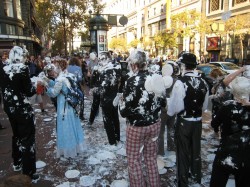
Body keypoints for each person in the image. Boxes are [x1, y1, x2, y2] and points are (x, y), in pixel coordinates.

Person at [119, 49, 167, 187]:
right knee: (151, 159)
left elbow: (124, 111)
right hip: (154, 124)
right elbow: (163, 103)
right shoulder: (156, 77)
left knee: (134, 160)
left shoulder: (131, 81)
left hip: (136, 127)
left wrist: (121, 101)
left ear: (134, 64)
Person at [167, 52, 209, 186]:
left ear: (183, 66)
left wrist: (169, 108)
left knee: (183, 154)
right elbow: (205, 106)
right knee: (196, 152)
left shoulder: (180, 82)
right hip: (197, 121)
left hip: (184, 122)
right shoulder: (203, 82)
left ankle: (183, 182)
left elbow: (175, 108)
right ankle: (196, 179)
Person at [0, 46, 39, 182]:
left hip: (9, 107)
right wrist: (36, 86)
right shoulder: (22, 68)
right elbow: (29, 91)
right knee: (27, 139)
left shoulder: (4, 68)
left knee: (16, 134)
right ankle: (29, 172)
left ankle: (17, 162)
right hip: (22, 108)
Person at [210, 76, 250, 187]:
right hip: (246, 154)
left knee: (217, 183)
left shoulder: (227, 106)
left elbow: (214, 123)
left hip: (226, 151)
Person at [43, 58, 85, 158]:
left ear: (60, 68)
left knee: (66, 129)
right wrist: (49, 81)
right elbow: (59, 85)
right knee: (73, 127)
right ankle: (76, 148)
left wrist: (46, 86)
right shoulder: (69, 75)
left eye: (56, 67)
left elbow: (53, 93)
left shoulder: (60, 79)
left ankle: (68, 151)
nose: (54, 69)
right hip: (71, 106)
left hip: (64, 107)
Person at [98, 51, 121, 146]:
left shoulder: (106, 70)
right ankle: (117, 137)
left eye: (101, 59)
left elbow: (103, 88)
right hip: (114, 97)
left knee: (108, 120)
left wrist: (96, 90)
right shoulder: (116, 68)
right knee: (115, 118)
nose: (99, 61)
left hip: (107, 99)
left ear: (106, 59)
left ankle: (112, 141)